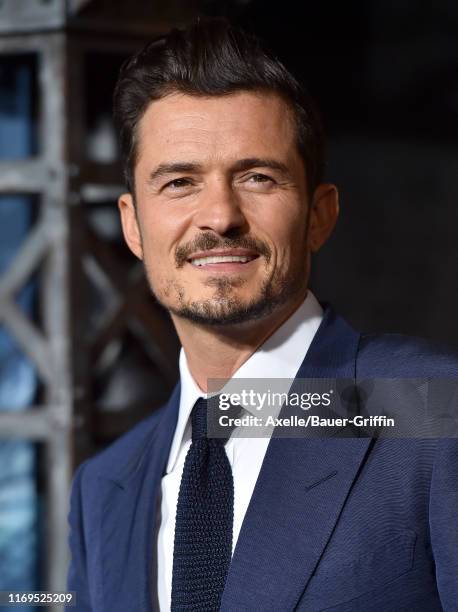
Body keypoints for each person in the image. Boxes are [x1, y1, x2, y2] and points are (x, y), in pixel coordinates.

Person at [67, 18, 458, 612]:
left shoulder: (435, 408)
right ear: (132, 225)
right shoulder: (103, 490)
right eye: (178, 182)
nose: (219, 216)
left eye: (257, 177)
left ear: (320, 215)